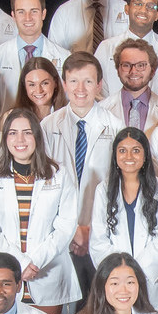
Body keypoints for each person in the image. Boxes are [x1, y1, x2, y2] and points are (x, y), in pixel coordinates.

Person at [0, 106, 83, 314]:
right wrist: (21, 264)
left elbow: (65, 226)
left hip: (46, 271)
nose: (20, 139)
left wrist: (35, 262)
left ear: (37, 137)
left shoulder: (59, 174)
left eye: (27, 132)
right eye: (13, 133)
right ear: (5, 138)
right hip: (6, 275)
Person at [89, 126, 158, 314]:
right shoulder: (103, 190)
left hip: (152, 281)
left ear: (146, 155)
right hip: (115, 287)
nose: (129, 156)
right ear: (115, 156)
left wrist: (134, 277)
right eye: (122, 150)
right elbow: (98, 241)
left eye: (136, 150)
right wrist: (121, 279)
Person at [42, 53, 124, 259]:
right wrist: (71, 231)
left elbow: (120, 183)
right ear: (64, 84)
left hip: (102, 229)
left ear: (98, 85)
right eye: (73, 81)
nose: (80, 89)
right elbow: (43, 186)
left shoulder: (115, 127)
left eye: (88, 82)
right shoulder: (47, 126)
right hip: (58, 232)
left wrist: (92, 229)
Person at [0, 0, 70, 102]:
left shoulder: (64, 57)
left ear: (43, 14)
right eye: (21, 12)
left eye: (34, 11)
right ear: (13, 16)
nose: (28, 18)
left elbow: (68, 103)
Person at [100, 0, 158, 106]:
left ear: (157, 15)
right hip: (114, 118)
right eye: (138, 4)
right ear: (127, 9)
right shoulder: (107, 47)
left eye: (151, 6)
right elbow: (98, 91)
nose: (143, 10)